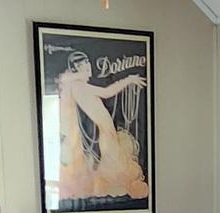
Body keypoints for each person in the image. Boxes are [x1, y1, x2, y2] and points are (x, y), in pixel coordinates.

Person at [56, 51, 150, 203]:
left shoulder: (78, 86)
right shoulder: (79, 86)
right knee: (115, 163)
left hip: (107, 131)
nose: (89, 69)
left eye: (88, 65)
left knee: (115, 162)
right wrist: (128, 80)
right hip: (106, 131)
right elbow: (107, 92)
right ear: (77, 69)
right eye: (85, 67)